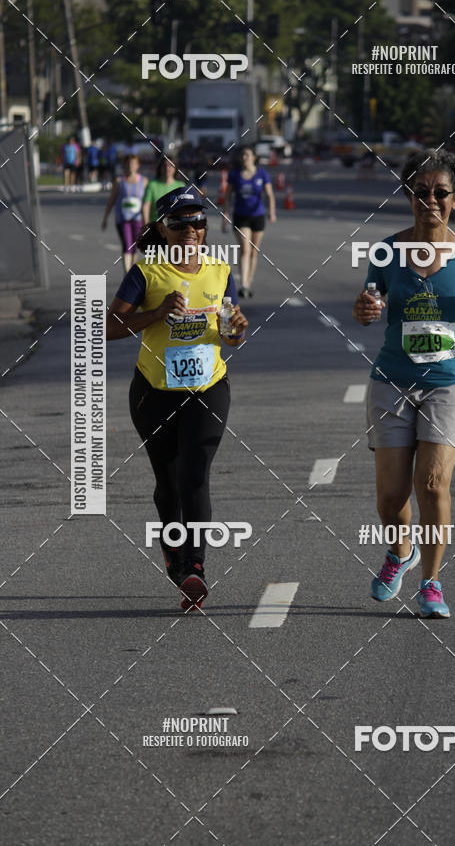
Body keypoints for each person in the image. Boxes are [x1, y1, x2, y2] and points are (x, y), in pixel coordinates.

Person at [352, 148, 455, 618]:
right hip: (393, 379)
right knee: (392, 498)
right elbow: (368, 307)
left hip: (450, 381)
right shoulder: (386, 250)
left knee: (433, 483)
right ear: (409, 196)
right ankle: (401, 553)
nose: (430, 200)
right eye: (421, 192)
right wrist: (364, 310)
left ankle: (431, 582)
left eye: (441, 192)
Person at [106, 186, 248, 611]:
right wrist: (156, 312)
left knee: (194, 475)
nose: (190, 230)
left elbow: (231, 332)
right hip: (153, 394)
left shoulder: (220, 271)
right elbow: (109, 326)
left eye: (198, 222)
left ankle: (195, 569)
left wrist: (236, 330)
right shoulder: (145, 272)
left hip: (208, 388)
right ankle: (175, 555)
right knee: (168, 484)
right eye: (179, 223)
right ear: (161, 230)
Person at [222, 145, 276, 297]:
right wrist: (225, 215)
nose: (244, 157)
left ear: (254, 157)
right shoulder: (235, 174)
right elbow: (227, 196)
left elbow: (269, 195)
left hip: (257, 216)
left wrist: (272, 212)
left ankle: (248, 283)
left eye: (247, 155)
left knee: (254, 251)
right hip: (241, 216)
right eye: (242, 155)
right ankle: (244, 283)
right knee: (245, 248)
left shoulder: (262, 174)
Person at [101, 153, 148, 272]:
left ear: (137, 165)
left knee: (135, 246)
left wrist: (147, 220)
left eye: (132, 163)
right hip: (122, 219)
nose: (129, 166)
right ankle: (127, 272)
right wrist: (105, 218)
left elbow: (147, 201)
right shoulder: (119, 181)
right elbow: (111, 200)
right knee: (127, 245)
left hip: (138, 219)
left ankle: (132, 269)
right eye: (127, 164)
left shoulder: (144, 181)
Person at [142, 155, 181, 224]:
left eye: (170, 166)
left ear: (175, 168)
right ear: (160, 168)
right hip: (156, 226)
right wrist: (146, 223)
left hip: (175, 227)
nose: (167, 168)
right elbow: (146, 205)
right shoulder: (152, 185)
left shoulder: (181, 186)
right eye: (164, 165)